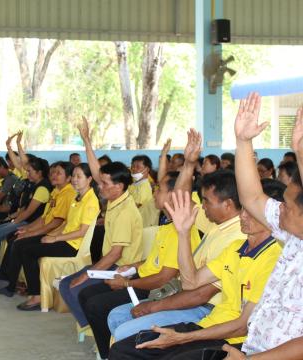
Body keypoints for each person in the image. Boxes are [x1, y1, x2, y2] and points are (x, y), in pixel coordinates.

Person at [108, 179, 283, 360]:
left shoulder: (273, 260)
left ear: (273, 216)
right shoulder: (237, 247)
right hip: (208, 327)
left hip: (231, 339)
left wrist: (183, 338)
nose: (243, 216)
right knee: (124, 350)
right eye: (244, 209)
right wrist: (183, 233)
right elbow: (190, 282)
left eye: (252, 212)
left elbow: (242, 326)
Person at [107, 131, 246, 344]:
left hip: (205, 308)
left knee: (126, 331)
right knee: (117, 316)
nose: (201, 205)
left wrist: (152, 307)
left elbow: (201, 294)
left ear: (227, 204)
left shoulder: (236, 236)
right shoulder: (218, 222)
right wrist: (189, 164)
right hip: (184, 294)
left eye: (206, 201)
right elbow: (180, 201)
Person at [80, 171, 201, 359]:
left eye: (159, 190)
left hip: (156, 287)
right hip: (143, 278)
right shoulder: (167, 225)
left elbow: (165, 277)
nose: (154, 193)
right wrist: (134, 266)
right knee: (87, 293)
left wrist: (126, 284)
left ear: (173, 195)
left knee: (97, 305)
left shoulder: (181, 231)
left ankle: (108, 353)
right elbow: (155, 260)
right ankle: (106, 345)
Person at [221, 92, 303, 359]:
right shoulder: (293, 237)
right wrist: (244, 142)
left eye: (287, 206)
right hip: (253, 349)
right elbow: (252, 196)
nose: (279, 208)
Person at [59, 117, 144, 330]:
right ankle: (92, 325)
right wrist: (86, 140)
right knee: (65, 284)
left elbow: (115, 254)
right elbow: (97, 173)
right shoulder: (116, 197)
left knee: (76, 288)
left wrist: (89, 273)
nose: (99, 186)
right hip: (110, 263)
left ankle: (97, 327)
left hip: (122, 269)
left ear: (119, 186)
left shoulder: (125, 211)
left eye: (104, 184)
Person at [11, 163, 100, 310]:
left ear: (89, 179)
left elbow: (82, 232)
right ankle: (29, 288)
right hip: (65, 239)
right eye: (74, 177)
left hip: (73, 246)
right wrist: (52, 235)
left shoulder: (91, 201)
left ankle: (37, 296)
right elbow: (67, 224)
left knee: (28, 251)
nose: (75, 180)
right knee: (23, 244)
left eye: (79, 177)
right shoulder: (77, 197)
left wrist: (55, 239)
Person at [0, 161, 76, 295]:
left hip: (55, 234)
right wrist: (28, 229)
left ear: (68, 178)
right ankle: (5, 280)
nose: (54, 175)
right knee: (14, 236)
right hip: (48, 229)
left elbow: (56, 223)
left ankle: (9, 284)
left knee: (19, 242)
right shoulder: (56, 191)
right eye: (53, 172)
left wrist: (32, 233)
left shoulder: (68, 194)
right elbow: (44, 218)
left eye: (59, 173)